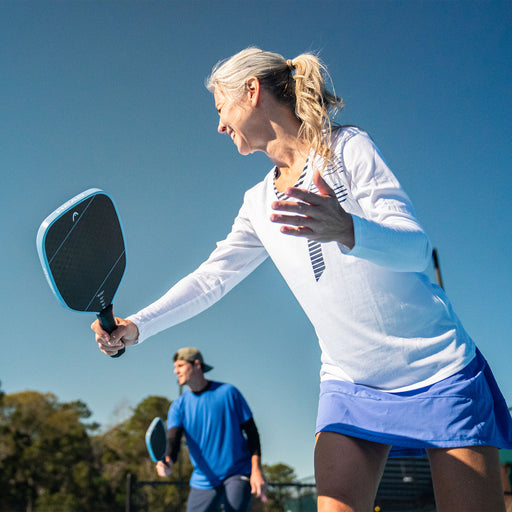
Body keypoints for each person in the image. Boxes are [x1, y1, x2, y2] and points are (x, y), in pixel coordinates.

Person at [92, 47, 512, 511]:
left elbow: (414, 247)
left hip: (437, 370)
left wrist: (348, 228)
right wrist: (138, 326)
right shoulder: (256, 203)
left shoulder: (347, 147)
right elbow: (212, 278)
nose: (219, 126)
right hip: (350, 383)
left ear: (251, 92)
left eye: (220, 109)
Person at [156, 347, 266, 512]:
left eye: (180, 365)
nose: (175, 371)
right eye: (175, 367)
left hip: (237, 472)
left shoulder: (229, 393)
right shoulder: (178, 407)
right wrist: (168, 461)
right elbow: (173, 440)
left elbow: (252, 434)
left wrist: (257, 470)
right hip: (203, 478)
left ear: (197, 365)